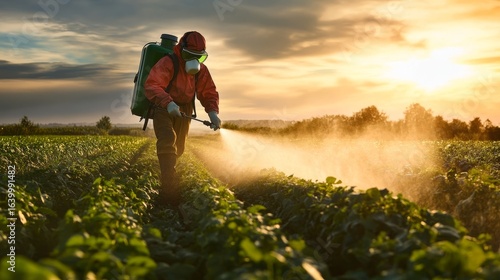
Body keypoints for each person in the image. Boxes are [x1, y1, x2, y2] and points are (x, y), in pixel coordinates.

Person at [144, 31, 220, 207]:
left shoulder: (201, 71)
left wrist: (213, 112)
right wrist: (168, 103)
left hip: (184, 109)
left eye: (198, 57)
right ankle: (168, 187)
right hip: (163, 106)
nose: (192, 60)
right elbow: (152, 85)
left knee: (179, 148)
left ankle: (170, 173)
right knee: (167, 140)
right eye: (189, 55)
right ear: (181, 49)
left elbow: (208, 91)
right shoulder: (168, 62)